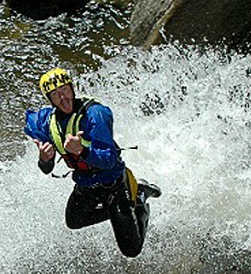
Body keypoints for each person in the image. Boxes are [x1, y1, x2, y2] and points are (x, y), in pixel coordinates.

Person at [23, 67, 160, 258]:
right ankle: (119, 209)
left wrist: (82, 150)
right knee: (74, 221)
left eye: (64, 90)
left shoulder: (95, 114)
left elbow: (109, 160)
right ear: (50, 100)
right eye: (55, 95)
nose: (62, 98)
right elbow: (46, 168)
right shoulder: (48, 122)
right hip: (86, 185)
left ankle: (140, 195)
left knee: (131, 250)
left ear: (72, 89)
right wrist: (44, 159)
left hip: (113, 184)